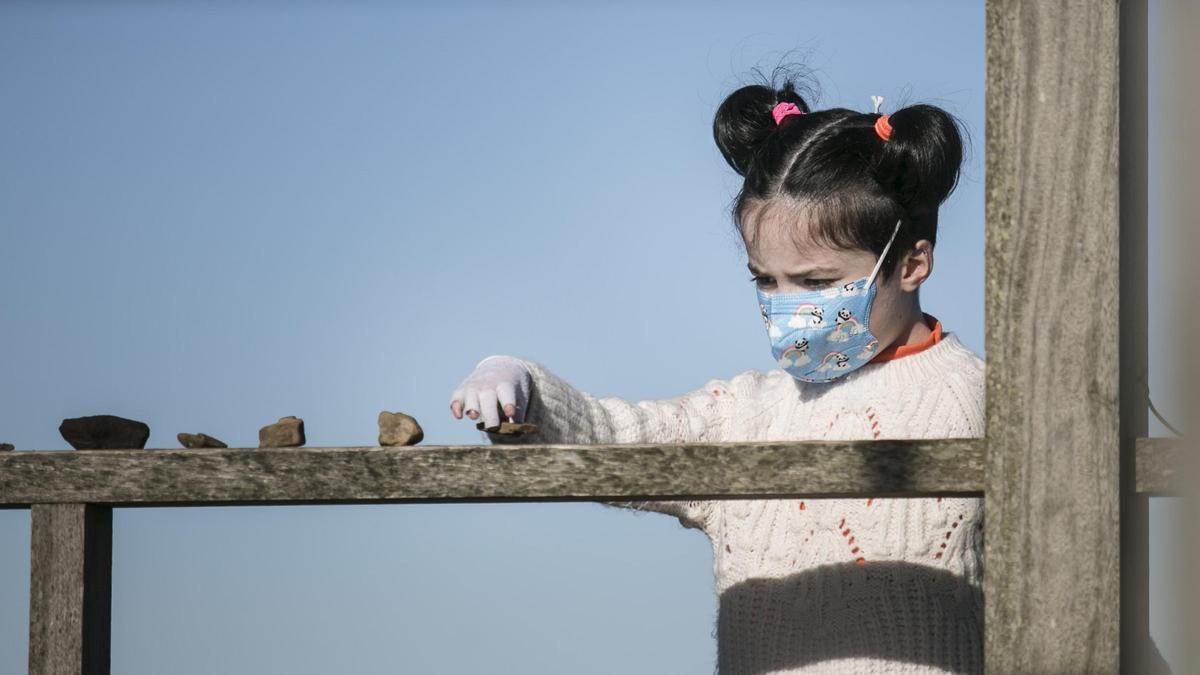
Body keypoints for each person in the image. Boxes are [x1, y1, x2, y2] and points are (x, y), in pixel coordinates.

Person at [448, 71, 984, 675]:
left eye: (816, 283)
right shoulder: (744, 413)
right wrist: (526, 388)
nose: (787, 303)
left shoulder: (985, 402)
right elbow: (616, 434)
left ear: (913, 262)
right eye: (765, 279)